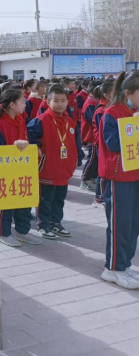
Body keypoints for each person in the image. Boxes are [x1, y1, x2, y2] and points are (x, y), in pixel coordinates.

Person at [99, 72, 139, 290]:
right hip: (118, 176)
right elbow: (113, 144)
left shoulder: (133, 111)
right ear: (128, 93)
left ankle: (124, 265)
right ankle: (112, 268)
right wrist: (132, 126)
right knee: (119, 224)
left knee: (133, 224)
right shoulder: (112, 113)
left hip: (135, 173)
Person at [28, 84, 77, 240]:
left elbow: (75, 142)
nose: (60, 104)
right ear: (48, 101)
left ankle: (56, 222)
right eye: (56, 100)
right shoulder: (42, 120)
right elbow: (28, 133)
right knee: (45, 199)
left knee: (59, 199)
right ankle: (43, 225)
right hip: (48, 168)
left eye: (63, 101)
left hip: (64, 169)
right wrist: (36, 146)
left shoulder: (70, 122)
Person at [0, 88, 39, 247]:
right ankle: (3, 233)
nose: (25, 104)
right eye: (23, 101)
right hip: (6, 171)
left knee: (24, 201)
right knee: (7, 203)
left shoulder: (20, 120)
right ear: (12, 104)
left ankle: (22, 231)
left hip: (22, 169)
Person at [92, 80, 114, 208]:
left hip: (106, 144)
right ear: (106, 94)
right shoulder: (101, 110)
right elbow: (103, 132)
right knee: (102, 171)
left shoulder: (109, 108)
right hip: (101, 144)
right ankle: (98, 198)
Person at [80, 80, 102, 192]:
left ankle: (92, 178)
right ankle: (84, 179)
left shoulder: (95, 101)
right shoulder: (90, 103)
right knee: (92, 159)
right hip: (91, 136)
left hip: (95, 136)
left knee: (96, 160)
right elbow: (91, 119)